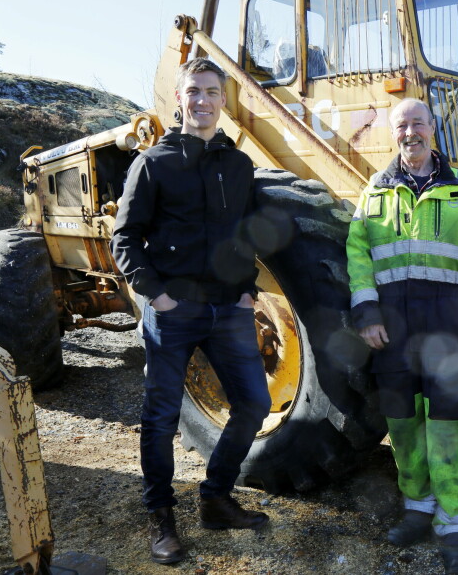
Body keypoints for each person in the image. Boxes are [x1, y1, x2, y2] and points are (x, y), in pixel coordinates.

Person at [111, 57, 272, 565]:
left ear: (223, 100)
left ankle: (216, 498)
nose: (203, 100)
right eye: (194, 91)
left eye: (212, 92)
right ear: (179, 99)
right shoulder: (153, 163)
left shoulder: (239, 165)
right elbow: (124, 239)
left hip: (228, 310)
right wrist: (156, 296)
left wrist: (246, 291)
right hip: (173, 313)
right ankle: (161, 517)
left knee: (255, 404)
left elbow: (246, 234)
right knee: (160, 418)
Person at [346, 98, 458, 575]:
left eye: (418, 122)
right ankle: (418, 504)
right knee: (402, 420)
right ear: (392, 133)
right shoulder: (375, 191)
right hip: (393, 330)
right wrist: (367, 313)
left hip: (448, 327)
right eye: (402, 125)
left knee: (450, 421)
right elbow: (358, 256)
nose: (410, 132)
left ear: (433, 128)